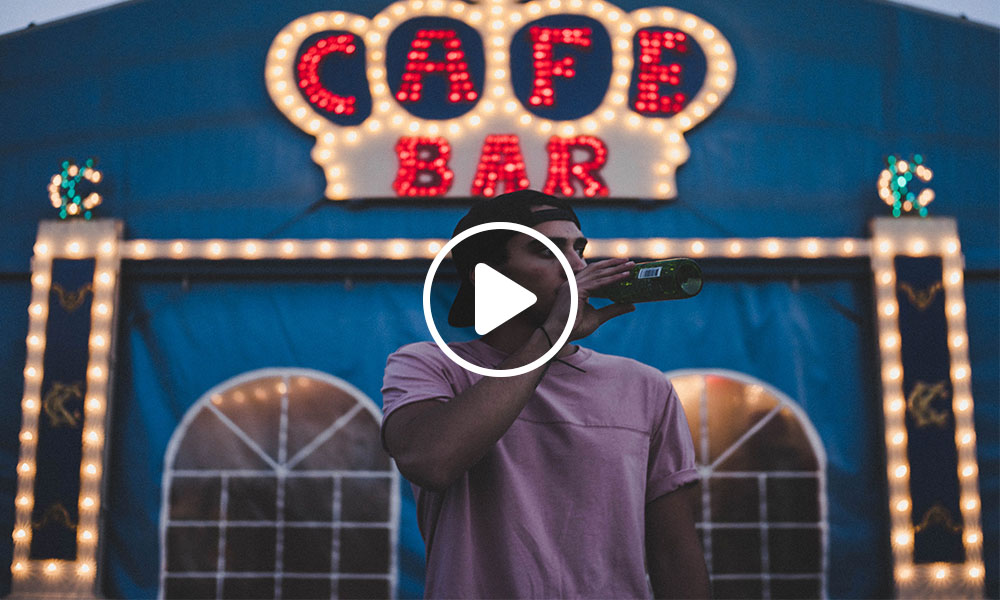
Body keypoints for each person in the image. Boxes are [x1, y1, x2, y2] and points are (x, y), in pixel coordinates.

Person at [381, 189, 709, 599]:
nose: (576, 265)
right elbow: (431, 460)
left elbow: (674, 552)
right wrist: (552, 334)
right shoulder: (431, 365)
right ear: (486, 274)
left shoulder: (644, 386)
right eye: (547, 251)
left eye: (579, 249)